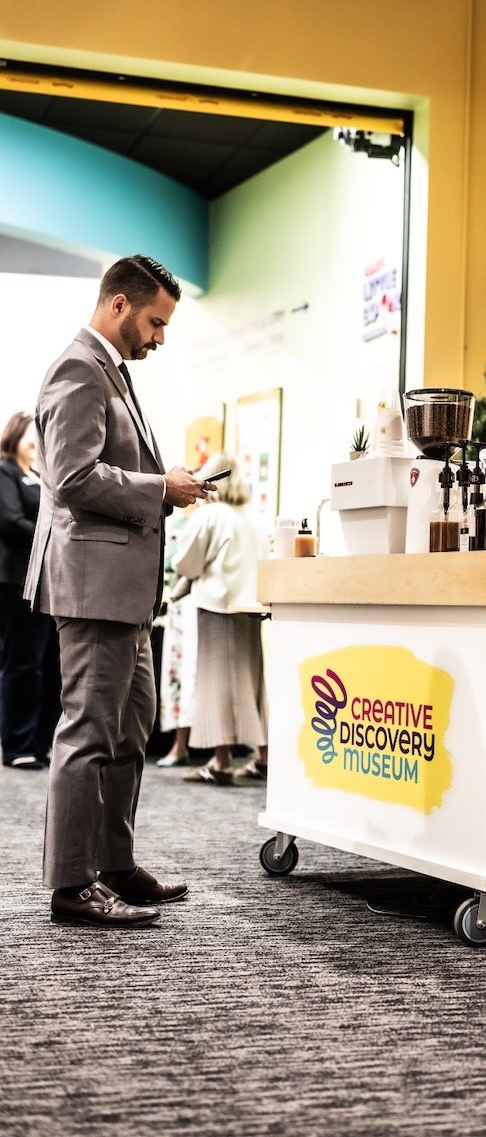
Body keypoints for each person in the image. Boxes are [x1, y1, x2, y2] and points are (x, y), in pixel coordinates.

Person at [24, 254, 217, 928]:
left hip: (128, 592)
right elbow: (72, 479)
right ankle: (72, 885)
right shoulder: (77, 367)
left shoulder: (114, 371)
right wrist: (160, 488)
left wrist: (163, 482)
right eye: (155, 322)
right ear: (118, 306)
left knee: (131, 731)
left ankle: (113, 864)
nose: (159, 337)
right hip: (93, 587)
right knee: (88, 733)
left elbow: (110, 469)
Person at [173, 451, 269, 785]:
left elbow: (186, 564)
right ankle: (263, 758)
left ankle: (220, 762)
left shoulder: (210, 515)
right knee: (251, 683)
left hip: (216, 606)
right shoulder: (252, 516)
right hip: (251, 608)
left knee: (217, 686)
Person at [0, 411, 61, 769]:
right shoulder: (5, 471)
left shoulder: (39, 475)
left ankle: (40, 742)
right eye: (29, 436)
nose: (35, 442)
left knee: (48, 665)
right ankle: (18, 744)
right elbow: (9, 521)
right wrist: (54, 539)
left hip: (47, 582)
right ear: (14, 437)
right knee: (22, 664)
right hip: (15, 582)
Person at [155, 510, 198, 768]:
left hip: (188, 607)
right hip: (191, 607)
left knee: (183, 676)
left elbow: (176, 561)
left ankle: (180, 746)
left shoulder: (200, 520)